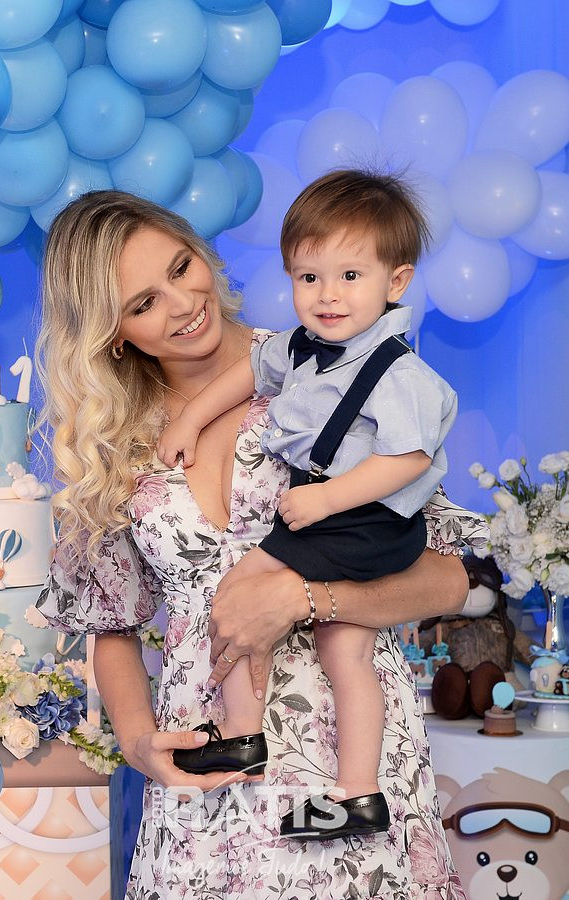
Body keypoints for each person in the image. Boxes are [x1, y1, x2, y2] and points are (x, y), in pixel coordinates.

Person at [35, 189, 485, 899]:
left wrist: (305, 596)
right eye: (143, 303)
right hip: (207, 769)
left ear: (202, 253)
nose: (182, 304)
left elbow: (459, 578)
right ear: (112, 333)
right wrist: (139, 742)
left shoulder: (332, 363)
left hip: (345, 756)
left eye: (181, 268)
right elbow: (110, 625)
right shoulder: (112, 442)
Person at [156, 170, 458, 840]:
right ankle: (357, 794)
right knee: (343, 648)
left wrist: (325, 498)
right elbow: (248, 371)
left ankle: (244, 736)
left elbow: (408, 459)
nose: (327, 295)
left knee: (239, 595)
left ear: (396, 282)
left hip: (364, 520)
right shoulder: (300, 348)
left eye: (350, 276)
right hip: (338, 515)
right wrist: (190, 420)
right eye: (308, 277)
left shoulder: (399, 372)